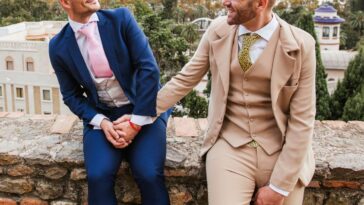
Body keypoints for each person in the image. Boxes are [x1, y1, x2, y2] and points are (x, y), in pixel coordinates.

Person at [117, 0, 316, 204]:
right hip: (230, 147)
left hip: (281, 149)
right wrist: (139, 117)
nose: (225, 2)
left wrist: (278, 187)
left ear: (260, 3)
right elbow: (185, 79)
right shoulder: (218, 30)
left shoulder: (301, 45)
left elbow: (302, 119)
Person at [49, 0, 170, 204]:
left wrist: (136, 122)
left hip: (143, 108)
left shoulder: (121, 19)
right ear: (65, 2)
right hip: (103, 116)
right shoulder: (58, 46)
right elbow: (71, 95)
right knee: (98, 176)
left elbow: (149, 69)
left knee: (148, 173)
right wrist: (101, 122)